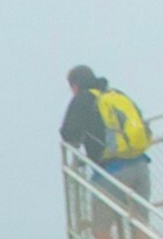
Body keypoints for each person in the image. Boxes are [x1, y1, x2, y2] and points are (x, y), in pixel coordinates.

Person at [59, 64, 155, 206]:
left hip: (111, 171)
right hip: (140, 164)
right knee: (139, 220)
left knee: (102, 222)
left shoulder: (82, 98)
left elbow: (68, 134)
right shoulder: (115, 94)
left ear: (75, 85)